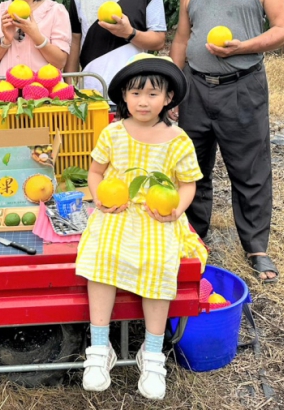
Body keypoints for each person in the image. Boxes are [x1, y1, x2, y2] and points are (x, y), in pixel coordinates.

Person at [169, 0, 284, 283]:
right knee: (191, 167)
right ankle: (192, 238)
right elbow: (181, 36)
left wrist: (242, 47)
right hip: (195, 88)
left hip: (242, 87)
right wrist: (174, 88)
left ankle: (257, 247)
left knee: (250, 170)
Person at [76, 54, 206, 399]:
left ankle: (151, 353)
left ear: (168, 100)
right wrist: (99, 199)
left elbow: (188, 184)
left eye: (152, 94)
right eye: (135, 94)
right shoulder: (113, 133)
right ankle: (100, 347)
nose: (143, 102)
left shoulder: (177, 139)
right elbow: (95, 173)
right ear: (123, 98)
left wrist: (176, 210)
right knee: (99, 256)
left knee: (160, 261)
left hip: (157, 215)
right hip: (116, 211)